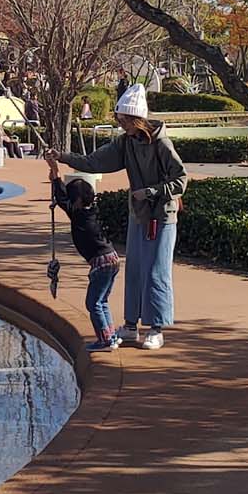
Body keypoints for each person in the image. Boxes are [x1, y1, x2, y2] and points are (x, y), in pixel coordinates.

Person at [45, 82, 186, 351]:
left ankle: (156, 328)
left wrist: (153, 191)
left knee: (156, 271)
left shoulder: (162, 144)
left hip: (162, 216)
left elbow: (180, 179)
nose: (121, 125)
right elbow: (93, 162)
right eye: (119, 120)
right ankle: (131, 326)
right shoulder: (126, 143)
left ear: (137, 119)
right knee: (133, 270)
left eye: (124, 120)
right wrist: (62, 157)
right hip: (138, 214)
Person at [52, 176, 121, 350]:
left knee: (93, 303)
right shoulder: (91, 212)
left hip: (101, 262)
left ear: (78, 201)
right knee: (102, 300)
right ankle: (110, 336)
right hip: (112, 258)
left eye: (71, 198)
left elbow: (61, 199)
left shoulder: (78, 215)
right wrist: (55, 175)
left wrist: (56, 176)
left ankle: (105, 340)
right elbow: (63, 199)